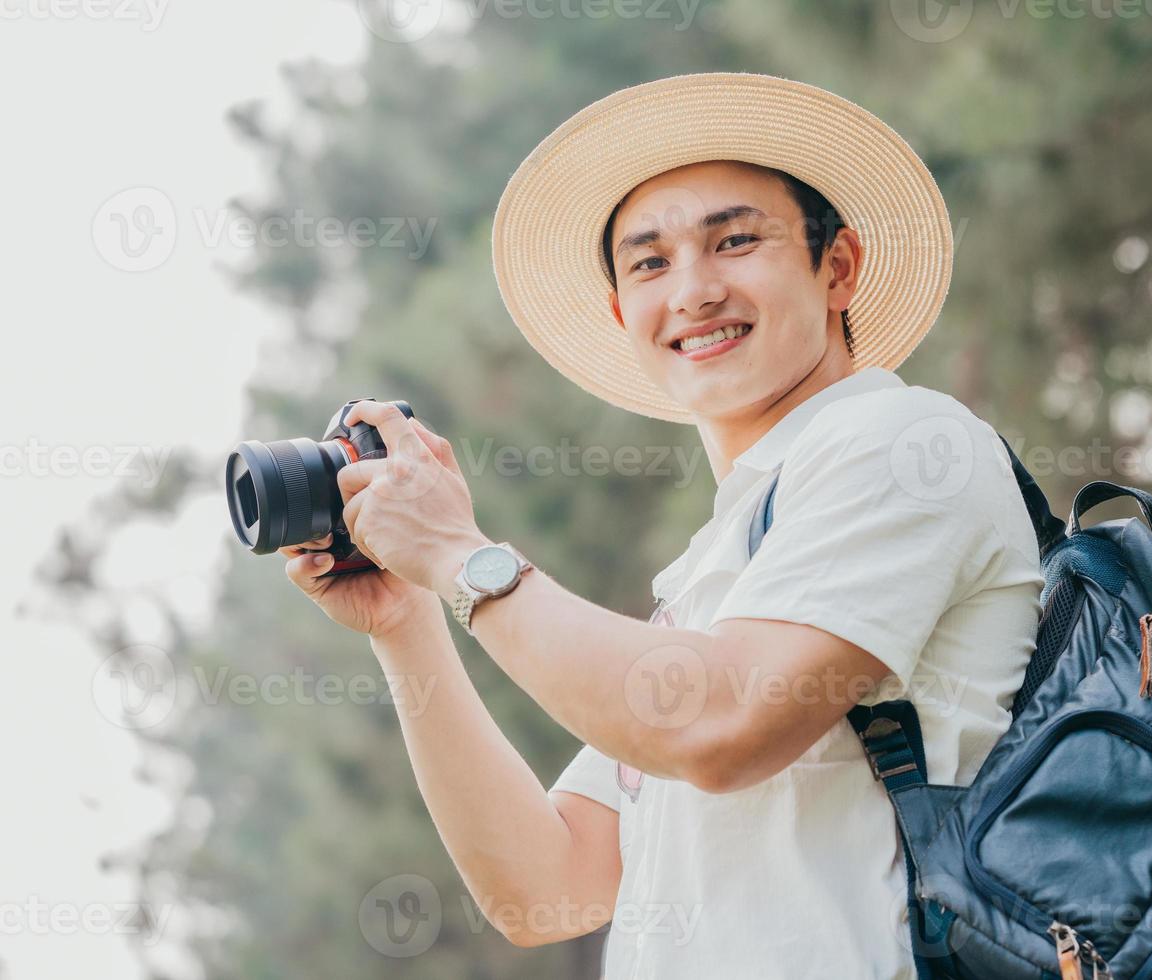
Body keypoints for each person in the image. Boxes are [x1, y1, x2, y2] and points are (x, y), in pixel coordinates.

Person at [282, 72, 1044, 979]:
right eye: (649, 262)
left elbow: (721, 724)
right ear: (621, 313)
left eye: (735, 240)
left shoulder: (905, 440)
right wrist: (407, 618)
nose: (692, 291)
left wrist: (457, 554)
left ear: (837, 267)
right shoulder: (712, 569)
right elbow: (547, 886)